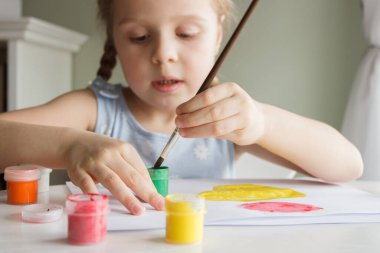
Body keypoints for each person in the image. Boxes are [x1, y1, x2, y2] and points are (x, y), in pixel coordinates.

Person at [0, 0, 363, 215]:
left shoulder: (226, 119)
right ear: (114, 40)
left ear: (218, 34)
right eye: (139, 38)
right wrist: (66, 146)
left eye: (187, 33)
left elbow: (348, 166)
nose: (163, 54)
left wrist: (261, 123)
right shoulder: (94, 109)